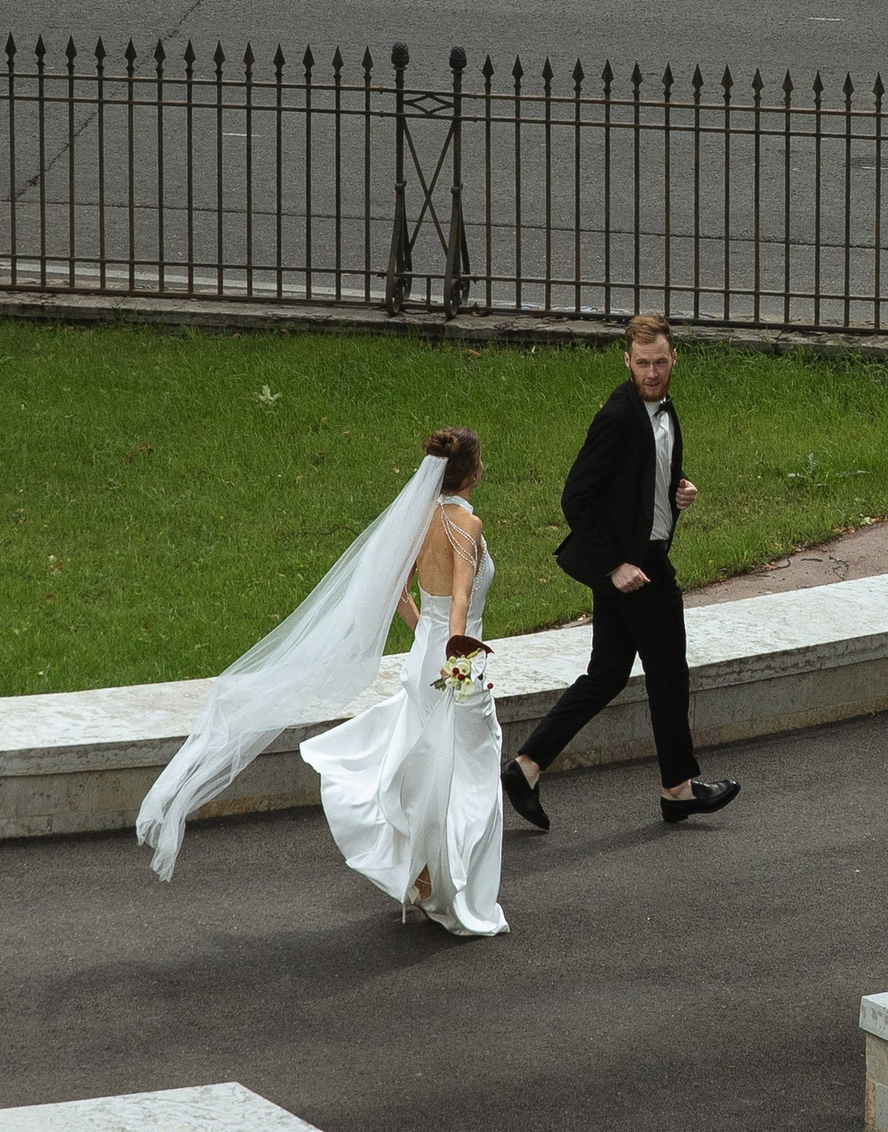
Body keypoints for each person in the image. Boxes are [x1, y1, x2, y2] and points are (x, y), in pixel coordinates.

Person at [136, 428, 509, 937]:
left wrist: (426, 632)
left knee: (432, 768)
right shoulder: (467, 524)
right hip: (454, 663)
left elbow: (399, 591)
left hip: (429, 656)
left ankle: (427, 876)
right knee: (468, 769)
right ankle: (451, 887)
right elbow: (462, 600)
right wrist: (459, 666)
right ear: (472, 472)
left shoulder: (418, 520)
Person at [505, 314, 740, 830]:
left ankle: (526, 768)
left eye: (659, 362)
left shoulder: (663, 410)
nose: (651, 373)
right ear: (626, 361)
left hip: (640, 557)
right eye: (641, 364)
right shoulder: (617, 415)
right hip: (637, 568)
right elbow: (576, 499)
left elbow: (642, 479)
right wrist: (615, 566)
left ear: (674, 357)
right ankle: (677, 789)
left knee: (608, 674)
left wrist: (679, 492)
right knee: (668, 673)